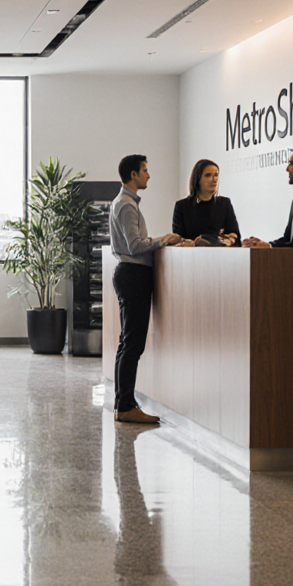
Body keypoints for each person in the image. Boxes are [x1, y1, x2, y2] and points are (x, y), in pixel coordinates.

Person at [109, 155, 180, 423]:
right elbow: (135, 246)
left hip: (130, 274)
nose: (149, 175)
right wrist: (164, 240)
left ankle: (123, 402)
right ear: (133, 174)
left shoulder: (125, 203)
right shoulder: (127, 205)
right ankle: (125, 405)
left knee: (127, 343)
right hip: (134, 274)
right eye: (145, 171)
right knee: (132, 345)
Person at [172, 159, 241, 247]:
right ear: (198, 179)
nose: (214, 179)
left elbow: (234, 233)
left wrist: (229, 239)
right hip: (191, 255)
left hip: (221, 254)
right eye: (208, 175)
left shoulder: (224, 203)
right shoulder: (182, 206)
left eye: (216, 175)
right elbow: (178, 238)